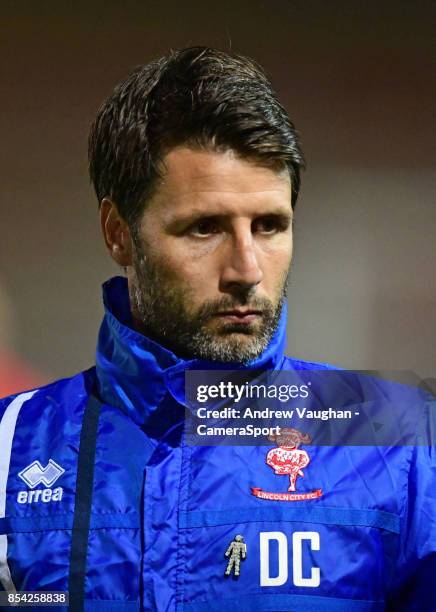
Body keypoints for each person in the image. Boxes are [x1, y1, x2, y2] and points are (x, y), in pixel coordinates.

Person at [0, 47, 434, 611]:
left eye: (270, 226)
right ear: (118, 233)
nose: (247, 270)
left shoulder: (400, 441)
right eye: (204, 228)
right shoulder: (11, 445)